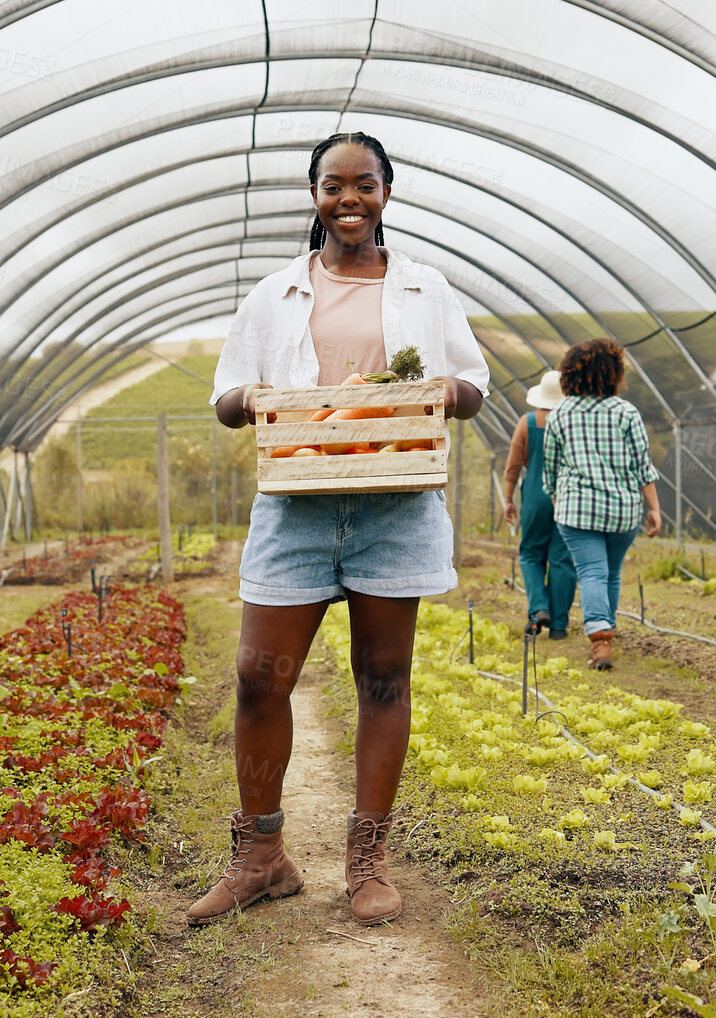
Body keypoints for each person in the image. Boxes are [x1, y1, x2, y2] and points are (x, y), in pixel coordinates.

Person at [200, 132, 488, 927]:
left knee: (383, 680)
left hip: (395, 503)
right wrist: (257, 399)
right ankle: (262, 856)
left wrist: (439, 392)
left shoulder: (426, 289)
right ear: (315, 196)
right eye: (333, 186)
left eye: (364, 184)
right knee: (260, 679)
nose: (348, 199)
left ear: (386, 192)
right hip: (296, 503)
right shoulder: (275, 292)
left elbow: (473, 384)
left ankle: (367, 860)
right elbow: (225, 398)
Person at [542, 337, 663, 671]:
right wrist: (653, 508)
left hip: (576, 509)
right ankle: (604, 634)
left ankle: (600, 639)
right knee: (610, 573)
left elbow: (550, 468)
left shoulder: (561, 413)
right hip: (622, 510)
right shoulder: (627, 413)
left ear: (571, 374)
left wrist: (556, 500)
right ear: (613, 374)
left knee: (591, 573)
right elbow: (642, 466)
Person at [502, 370, 576, 639]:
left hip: (535, 495)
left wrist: (509, 499)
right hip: (568, 496)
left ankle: (538, 610)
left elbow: (513, 467)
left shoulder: (528, 422)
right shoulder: (575, 422)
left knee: (531, 554)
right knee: (562, 559)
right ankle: (558, 626)